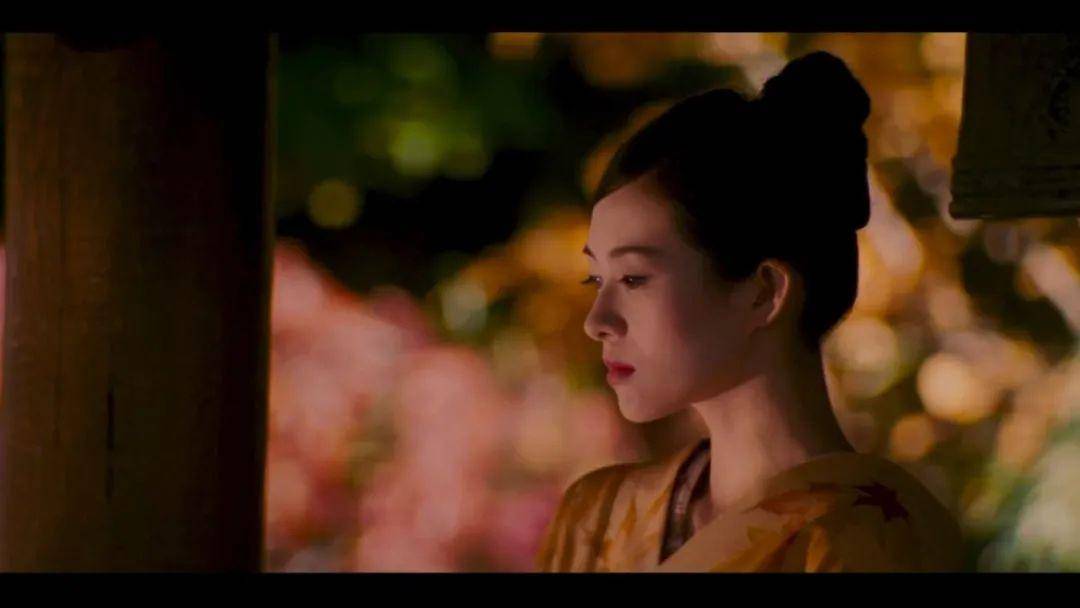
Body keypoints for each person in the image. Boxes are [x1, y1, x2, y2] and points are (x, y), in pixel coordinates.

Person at [536, 51, 965, 572]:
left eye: (633, 279)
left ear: (764, 292)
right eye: (595, 279)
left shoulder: (869, 542)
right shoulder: (597, 518)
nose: (596, 321)